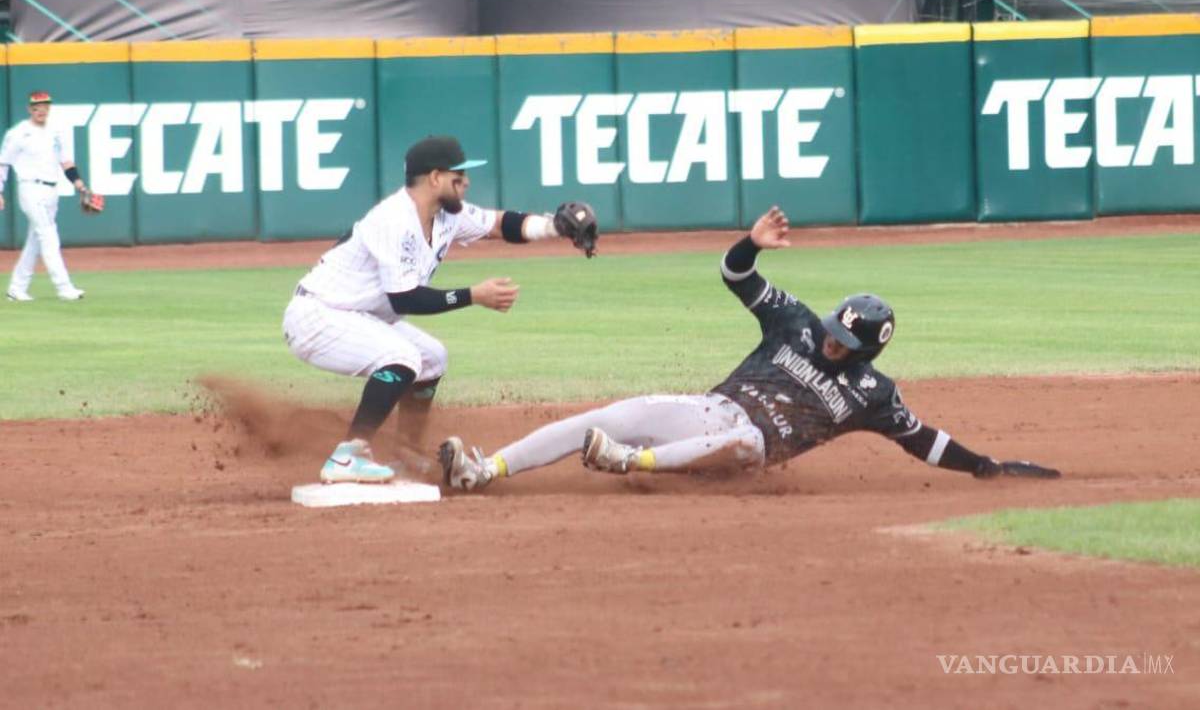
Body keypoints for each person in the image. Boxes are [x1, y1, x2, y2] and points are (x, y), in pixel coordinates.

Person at [439, 206, 1060, 491]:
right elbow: (737, 276)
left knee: (749, 441)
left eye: (844, 342)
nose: (830, 342)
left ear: (866, 351)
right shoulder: (795, 322)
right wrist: (752, 242)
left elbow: (925, 441)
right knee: (608, 416)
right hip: (706, 410)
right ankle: (484, 470)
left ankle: (630, 463)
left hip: (744, 450)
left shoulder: (875, 393)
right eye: (833, 331)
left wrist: (984, 465)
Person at [283, 134, 597, 485]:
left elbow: (499, 223)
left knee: (431, 357)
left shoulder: (447, 215)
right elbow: (406, 300)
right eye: (458, 176)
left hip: (359, 316)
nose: (466, 183)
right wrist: (473, 295)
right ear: (435, 178)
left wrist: (553, 226)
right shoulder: (393, 219)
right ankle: (348, 456)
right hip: (318, 317)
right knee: (401, 356)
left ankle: (405, 453)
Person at [0, 91, 89, 301]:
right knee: (49, 235)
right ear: (29, 109)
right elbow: (2, 163)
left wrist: (80, 186)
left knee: (36, 240)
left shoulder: (56, 131)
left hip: (51, 189)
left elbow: (66, 162)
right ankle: (64, 287)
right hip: (30, 188)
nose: (41, 109)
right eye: (37, 106)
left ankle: (16, 288)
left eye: (45, 105)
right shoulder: (19, 133)